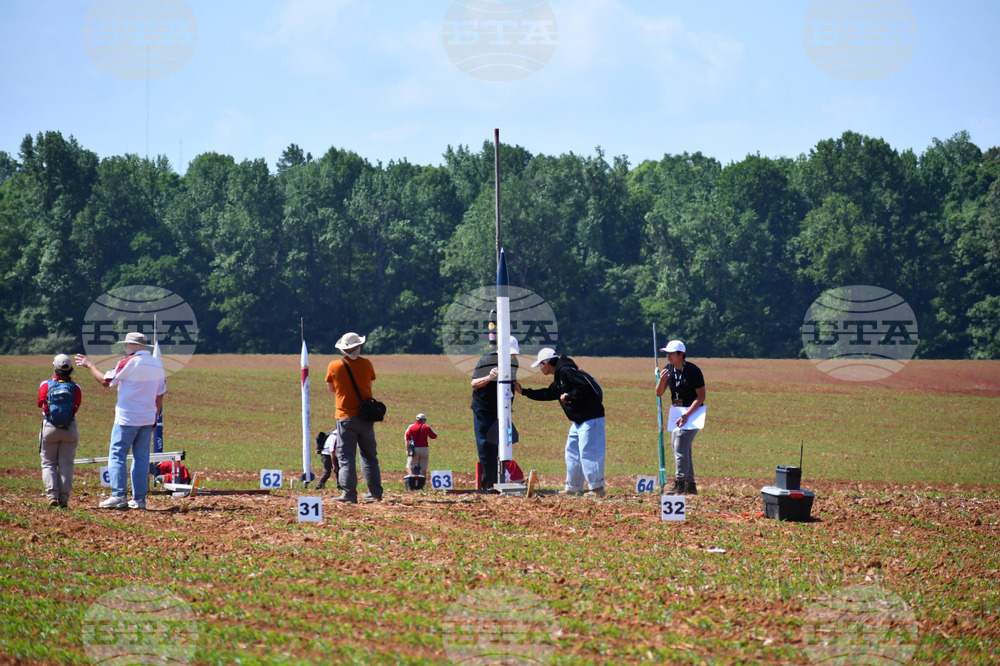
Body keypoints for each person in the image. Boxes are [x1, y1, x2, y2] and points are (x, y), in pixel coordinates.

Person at [76, 331, 166, 510]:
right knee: (141, 458)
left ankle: (118, 496)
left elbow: (105, 381)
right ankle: (139, 499)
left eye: (126, 344)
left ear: (134, 346)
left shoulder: (129, 361)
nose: (125, 348)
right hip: (147, 418)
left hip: (127, 418)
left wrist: (90, 365)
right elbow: (160, 393)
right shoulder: (157, 364)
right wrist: (155, 416)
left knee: (117, 455)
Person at [516, 348, 607, 497]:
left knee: (590, 452)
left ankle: (597, 490)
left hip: (591, 418)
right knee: (572, 452)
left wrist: (568, 397)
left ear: (546, 364)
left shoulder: (566, 371)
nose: (540, 369)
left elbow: (583, 388)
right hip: (579, 421)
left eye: (540, 365)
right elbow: (548, 393)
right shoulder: (560, 376)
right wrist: (524, 392)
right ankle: (573, 488)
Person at [325, 332, 383, 503]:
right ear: (358, 347)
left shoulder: (334, 365)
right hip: (366, 416)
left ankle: (349, 494)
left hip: (345, 416)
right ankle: (375, 493)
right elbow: (369, 384)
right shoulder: (367, 364)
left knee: (346, 457)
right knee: (369, 456)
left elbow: (331, 388)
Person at [655, 339, 706, 495]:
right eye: (667, 354)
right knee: (681, 447)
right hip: (677, 413)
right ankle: (690, 485)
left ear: (681, 354)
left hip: (693, 412)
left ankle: (681, 482)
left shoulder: (693, 371)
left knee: (680, 447)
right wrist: (661, 381)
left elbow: (701, 396)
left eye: (671, 354)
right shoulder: (668, 369)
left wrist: (687, 415)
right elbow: (659, 393)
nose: (668, 357)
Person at [469, 336, 519, 490]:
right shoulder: (486, 360)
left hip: (502, 410)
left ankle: (502, 478)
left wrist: (510, 404)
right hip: (484, 410)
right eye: (509, 353)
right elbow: (474, 383)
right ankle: (488, 484)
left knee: (502, 444)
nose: (512, 356)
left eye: (513, 354)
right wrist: (489, 377)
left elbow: (510, 384)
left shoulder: (514, 363)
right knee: (486, 446)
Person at [37, 353, 83, 508]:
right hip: (70, 428)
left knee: (48, 463)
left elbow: (41, 403)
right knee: (66, 464)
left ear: (54, 368)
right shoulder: (76, 387)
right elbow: (77, 405)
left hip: (50, 428)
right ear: (71, 369)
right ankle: (64, 500)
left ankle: (52, 496)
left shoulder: (45, 384)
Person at [404, 413, 437, 478]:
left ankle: (411, 482)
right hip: (424, 449)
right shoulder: (427, 427)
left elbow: (406, 439)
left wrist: (407, 450)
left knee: (410, 467)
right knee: (423, 469)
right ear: (424, 420)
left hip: (414, 449)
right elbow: (434, 436)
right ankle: (422, 482)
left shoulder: (411, 427)